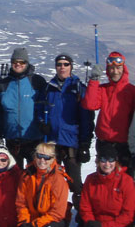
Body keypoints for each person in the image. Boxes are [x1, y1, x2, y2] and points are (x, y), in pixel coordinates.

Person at [67, 145, 135, 227]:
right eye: (103, 160)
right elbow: (85, 207)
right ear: (98, 161)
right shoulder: (91, 179)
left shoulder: (126, 181)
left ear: (116, 161)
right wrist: (93, 226)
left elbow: (128, 215)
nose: (107, 164)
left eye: (111, 160)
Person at [40, 53, 95, 209]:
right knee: (51, 182)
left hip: (71, 143)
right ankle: (53, 212)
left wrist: (84, 144)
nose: (62, 67)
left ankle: (82, 213)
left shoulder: (78, 88)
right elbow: (40, 108)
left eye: (65, 64)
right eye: (59, 64)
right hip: (52, 143)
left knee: (75, 183)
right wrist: (42, 123)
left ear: (71, 66)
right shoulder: (49, 88)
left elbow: (87, 119)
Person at [82, 51, 135, 179]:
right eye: (112, 68)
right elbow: (90, 104)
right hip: (104, 144)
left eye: (118, 68)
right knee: (104, 180)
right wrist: (94, 80)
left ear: (123, 69)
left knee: (125, 182)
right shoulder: (103, 89)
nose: (115, 72)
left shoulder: (133, 91)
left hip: (124, 146)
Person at [8, 142, 70, 227]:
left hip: (54, 220)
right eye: (39, 156)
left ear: (53, 159)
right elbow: (21, 203)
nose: (42, 160)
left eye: (47, 157)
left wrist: (34, 226)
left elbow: (57, 213)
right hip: (32, 219)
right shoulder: (27, 175)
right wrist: (24, 224)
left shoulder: (58, 179)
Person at [0, 47, 47, 169]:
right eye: (15, 62)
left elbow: (44, 107)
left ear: (27, 63)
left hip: (34, 139)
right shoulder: (4, 84)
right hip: (12, 139)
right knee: (14, 177)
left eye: (22, 62)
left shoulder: (37, 81)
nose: (18, 64)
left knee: (34, 176)